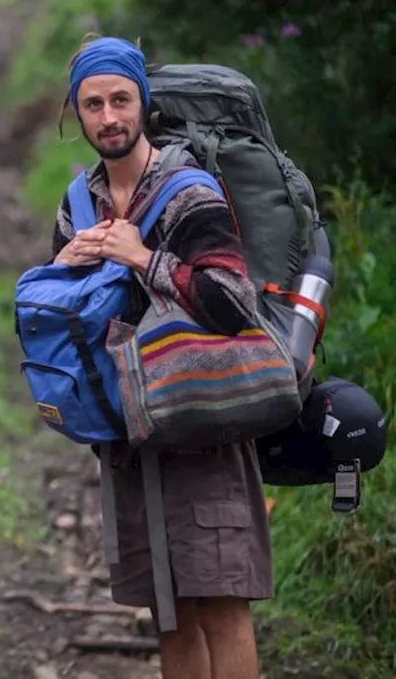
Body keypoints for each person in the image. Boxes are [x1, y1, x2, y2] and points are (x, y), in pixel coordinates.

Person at [50, 36, 272, 679]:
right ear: (77, 113)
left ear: (143, 103)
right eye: (93, 104)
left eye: (121, 100)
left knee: (222, 606)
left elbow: (232, 300)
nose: (109, 117)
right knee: (168, 613)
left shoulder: (187, 192)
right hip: (130, 435)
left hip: (203, 425)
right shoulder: (79, 203)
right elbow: (58, 325)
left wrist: (144, 258)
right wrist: (59, 270)